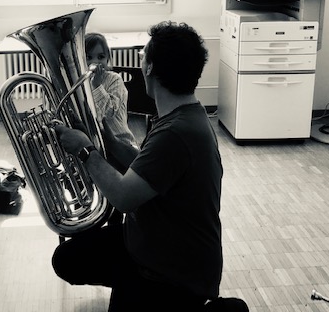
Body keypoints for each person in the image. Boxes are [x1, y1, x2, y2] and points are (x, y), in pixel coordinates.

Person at [53, 21, 247, 311]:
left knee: (75, 261)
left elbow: (123, 197)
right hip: (151, 240)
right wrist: (104, 138)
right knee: (67, 259)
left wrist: (85, 151)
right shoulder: (183, 115)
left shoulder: (175, 133)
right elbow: (146, 168)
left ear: (150, 68)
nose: (141, 62)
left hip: (172, 270)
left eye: (143, 56)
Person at [85, 32, 136, 147]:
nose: (95, 63)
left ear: (108, 58)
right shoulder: (82, 81)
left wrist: (97, 86)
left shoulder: (114, 79)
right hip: (94, 143)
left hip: (120, 144)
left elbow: (109, 112)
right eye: (89, 57)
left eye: (101, 57)